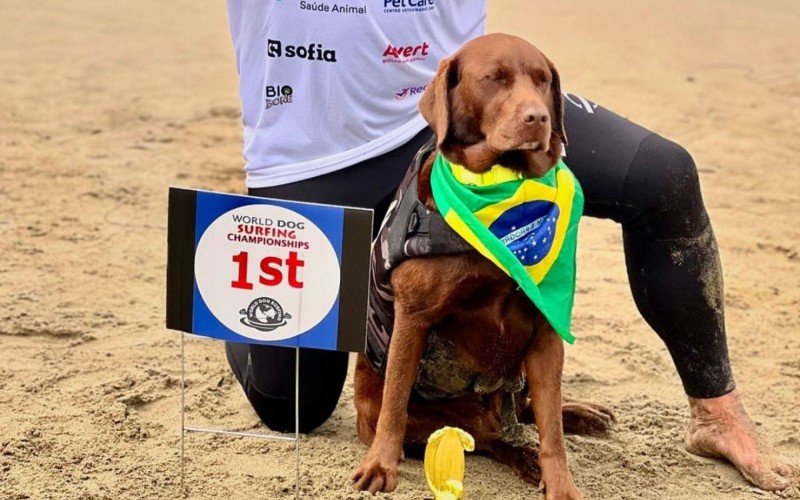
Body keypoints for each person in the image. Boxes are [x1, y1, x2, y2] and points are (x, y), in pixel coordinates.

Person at [222, 1, 796, 491]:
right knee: (289, 404)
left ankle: (717, 416)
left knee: (663, 176)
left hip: (466, 114)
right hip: (312, 156)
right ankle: (237, 319)